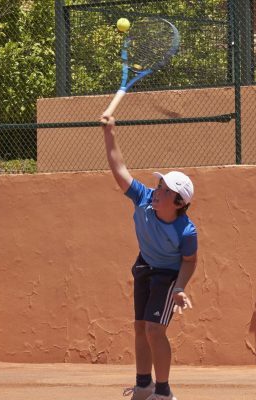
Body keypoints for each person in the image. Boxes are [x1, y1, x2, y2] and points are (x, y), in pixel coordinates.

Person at [101, 113, 198, 400]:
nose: (157, 192)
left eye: (165, 191)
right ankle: (144, 386)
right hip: (144, 265)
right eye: (159, 187)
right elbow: (119, 169)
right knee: (141, 328)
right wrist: (110, 133)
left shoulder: (186, 230)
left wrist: (180, 287)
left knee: (155, 330)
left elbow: (189, 261)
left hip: (167, 275)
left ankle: (164, 393)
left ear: (179, 203)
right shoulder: (143, 199)